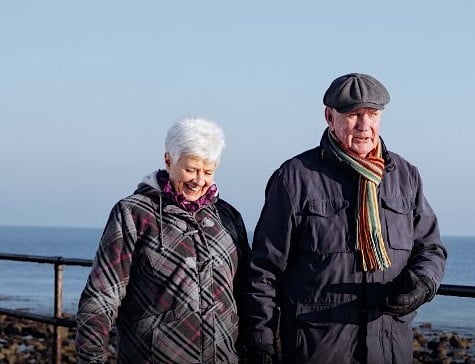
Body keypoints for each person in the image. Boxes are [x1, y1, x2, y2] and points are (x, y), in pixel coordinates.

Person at [243, 73, 448, 363]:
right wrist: (260, 343)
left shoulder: (405, 176)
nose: (365, 126)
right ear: (329, 116)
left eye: (373, 114)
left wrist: (424, 284)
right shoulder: (294, 178)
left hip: (390, 348)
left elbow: (431, 249)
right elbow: (264, 271)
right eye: (354, 115)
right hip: (318, 350)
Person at [75, 117, 250, 363]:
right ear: (169, 160)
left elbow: (246, 290)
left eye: (208, 172)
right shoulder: (133, 213)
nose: (198, 180)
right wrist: (92, 358)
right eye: (190, 169)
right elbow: (103, 293)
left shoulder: (228, 216)